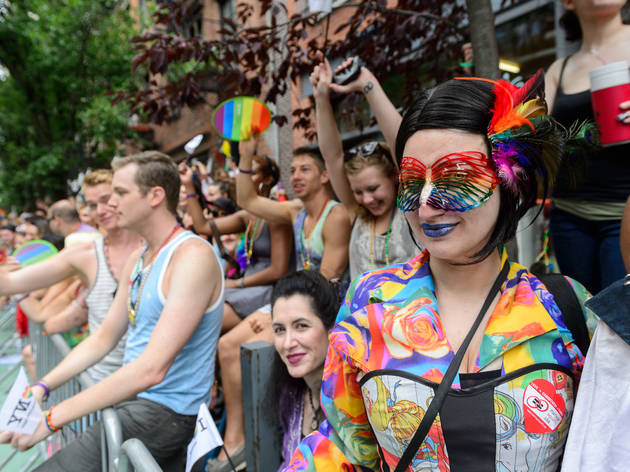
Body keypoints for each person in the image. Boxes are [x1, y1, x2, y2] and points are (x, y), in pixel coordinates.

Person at [283, 73, 597, 471]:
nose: (426, 205)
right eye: (413, 181)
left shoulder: (564, 308)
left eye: (455, 177)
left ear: (509, 180)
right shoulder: (370, 302)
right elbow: (346, 449)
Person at [2, 151, 224, 471]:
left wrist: (53, 417)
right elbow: (103, 338)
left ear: (155, 196)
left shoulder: (192, 256)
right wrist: (42, 387)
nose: (110, 205)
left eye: (120, 193)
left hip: (167, 414)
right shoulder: (140, 258)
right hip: (134, 406)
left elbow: (151, 369)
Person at [0, 169, 144, 382]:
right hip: (103, 384)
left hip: (155, 390)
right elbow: (10, 284)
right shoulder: (85, 253)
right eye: (92, 205)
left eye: (107, 199)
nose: (100, 211)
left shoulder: (158, 248)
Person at [545, 0, 630, 293]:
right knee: (583, 320)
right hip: (568, 216)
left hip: (624, 213)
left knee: (619, 322)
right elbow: (527, 134)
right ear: (568, 2)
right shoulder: (559, 68)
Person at [310, 55, 418, 279]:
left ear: (394, 177)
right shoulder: (356, 213)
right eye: (358, 192)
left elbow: (404, 148)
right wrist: (321, 95)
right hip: (362, 314)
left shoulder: (411, 209)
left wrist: (367, 84)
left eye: (373, 188)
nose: (367, 199)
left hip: (411, 312)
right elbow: (332, 155)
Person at [181, 156, 293, 332]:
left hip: (268, 291)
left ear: (268, 180)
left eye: (252, 173)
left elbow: (278, 270)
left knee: (200, 324)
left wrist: (238, 283)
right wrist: (188, 185)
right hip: (245, 288)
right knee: (192, 304)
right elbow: (202, 226)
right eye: (243, 173)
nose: (245, 178)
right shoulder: (247, 216)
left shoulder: (277, 214)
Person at [270, 271, 340, 471]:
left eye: (301, 326)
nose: (288, 343)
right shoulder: (291, 395)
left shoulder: (354, 403)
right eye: (279, 330)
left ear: (332, 328)